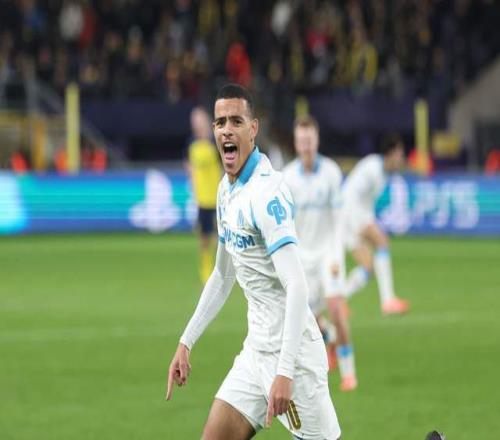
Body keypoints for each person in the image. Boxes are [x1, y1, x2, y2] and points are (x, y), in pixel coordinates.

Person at [167, 84, 341, 440]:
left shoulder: (266, 193)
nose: (227, 130)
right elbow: (222, 275)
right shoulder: (226, 190)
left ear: (253, 129)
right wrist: (186, 341)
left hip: (295, 360)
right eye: (220, 123)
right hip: (255, 353)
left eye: (236, 121)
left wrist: (285, 371)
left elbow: (297, 285)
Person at [283, 115, 357, 392]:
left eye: (310, 140)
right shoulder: (287, 177)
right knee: (308, 318)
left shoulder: (331, 172)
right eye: (301, 141)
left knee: (336, 309)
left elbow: (339, 219)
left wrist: (337, 256)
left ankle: (349, 372)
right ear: (296, 143)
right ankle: (328, 337)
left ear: (317, 141)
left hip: (328, 254)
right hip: (303, 258)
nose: (306, 146)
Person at [342, 134, 410, 314]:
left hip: (354, 217)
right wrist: (358, 225)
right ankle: (388, 301)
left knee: (367, 267)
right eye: (399, 154)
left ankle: (340, 300)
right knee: (382, 242)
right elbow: (350, 195)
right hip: (350, 217)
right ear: (390, 154)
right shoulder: (373, 168)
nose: (401, 159)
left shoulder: (383, 173)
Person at [186, 106, 222, 283]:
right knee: (204, 238)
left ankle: (221, 270)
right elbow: (190, 168)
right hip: (201, 199)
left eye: (199, 119)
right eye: (194, 120)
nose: (196, 123)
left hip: (217, 198)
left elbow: (224, 167)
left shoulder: (215, 142)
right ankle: (206, 271)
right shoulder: (191, 144)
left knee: (220, 238)